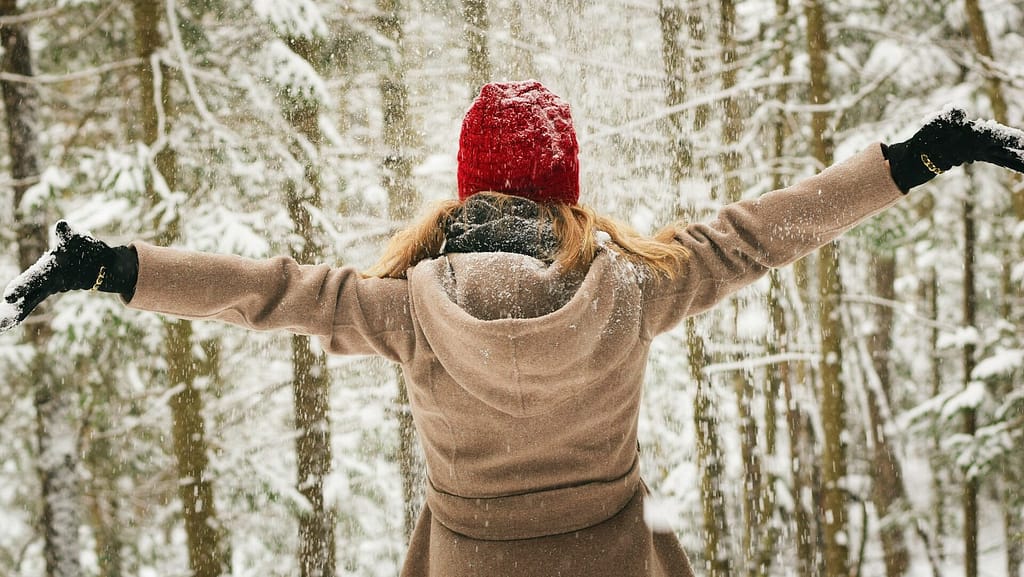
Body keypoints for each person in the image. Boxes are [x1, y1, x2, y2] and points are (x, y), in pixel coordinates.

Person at [3, 80, 1024, 577]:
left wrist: (111, 266)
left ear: (467, 188)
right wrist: (918, 154)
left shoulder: (406, 309)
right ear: (565, 191)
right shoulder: (634, 288)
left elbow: (269, 291)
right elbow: (765, 232)